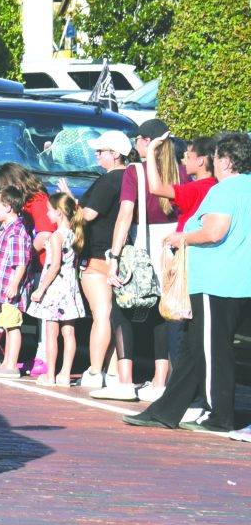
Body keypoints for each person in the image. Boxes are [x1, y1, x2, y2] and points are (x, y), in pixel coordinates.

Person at [125, 131, 251, 436]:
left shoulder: (224, 191)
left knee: (211, 349)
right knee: (195, 349)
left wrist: (184, 236)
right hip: (239, 281)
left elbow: (214, 231)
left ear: (227, 161)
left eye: (219, 156)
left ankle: (218, 415)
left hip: (215, 282)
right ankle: (166, 411)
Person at [101, 118, 180, 401]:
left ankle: (125, 380)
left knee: (121, 311)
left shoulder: (136, 172)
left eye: (137, 139)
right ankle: (160, 381)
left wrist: (114, 256)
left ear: (146, 141)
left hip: (142, 249)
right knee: (164, 314)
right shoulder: (181, 171)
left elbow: (125, 216)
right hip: (173, 251)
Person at [75, 132, 131, 391]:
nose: (96, 155)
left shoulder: (108, 181)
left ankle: (96, 370)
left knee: (101, 315)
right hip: (120, 254)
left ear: (115, 154)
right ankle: (111, 370)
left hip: (98, 255)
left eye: (101, 151)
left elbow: (89, 213)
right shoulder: (131, 179)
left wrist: (71, 208)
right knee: (114, 316)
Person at [29, 192, 86, 386]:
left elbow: (54, 266)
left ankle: (51, 374)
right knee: (69, 332)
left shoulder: (57, 236)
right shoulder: (75, 234)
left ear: (60, 213)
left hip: (55, 288)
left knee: (51, 333)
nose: (47, 215)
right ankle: (64, 374)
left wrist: (40, 289)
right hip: (70, 286)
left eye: (50, 211)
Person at [0, 186, 33, 377]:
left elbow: (21, 262)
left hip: (10, 287)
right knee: (8, 325)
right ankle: (7, 362)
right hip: (4, 286)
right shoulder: (7, 228)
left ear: (8, 207)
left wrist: (14, 284)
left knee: (12, 325)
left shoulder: (15, 232)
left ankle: (11, 365)